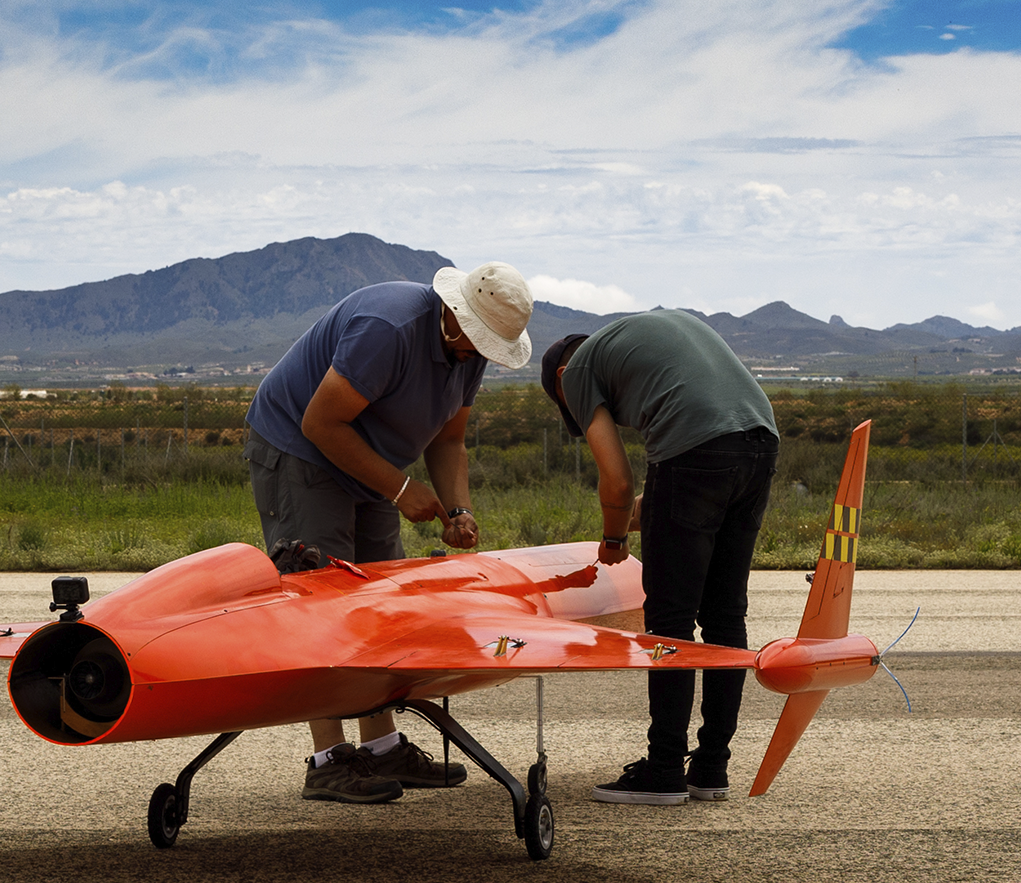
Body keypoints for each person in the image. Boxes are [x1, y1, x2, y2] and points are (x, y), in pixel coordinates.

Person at [245, 262, 535, 803]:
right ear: (453, 314)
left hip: (367, 458)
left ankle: (381, 747)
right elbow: (320, 424)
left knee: (380, 602)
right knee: (322, 599)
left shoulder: (468, 352)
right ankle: (328, 761)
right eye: (476, 341)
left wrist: (457, 508)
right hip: (299, 450)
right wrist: (402, 492)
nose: (478, 353)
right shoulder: (390, 328)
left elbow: (448, 442)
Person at [538, 309, 778, 805]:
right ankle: (711, 768)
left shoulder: (578, 370)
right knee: (725, 616)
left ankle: (664, 770)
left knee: (669, 619)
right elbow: (699, 450)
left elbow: (618, 480)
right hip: (759, 442)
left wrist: (613, 540)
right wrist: (655, 506)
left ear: (561, 379)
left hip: (697, 451)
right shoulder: (635, 342)